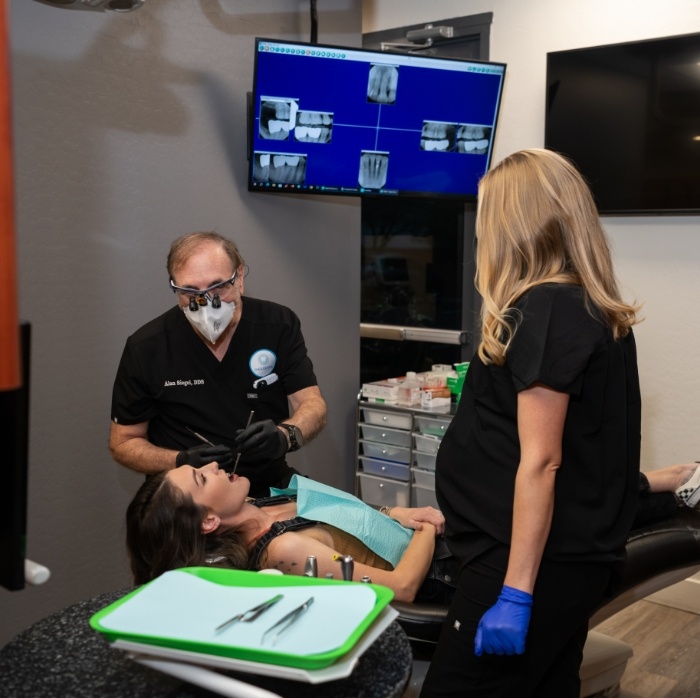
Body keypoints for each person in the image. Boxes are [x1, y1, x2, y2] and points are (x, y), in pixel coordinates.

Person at [421, 149, 644, 698]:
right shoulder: (589, 308)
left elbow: (543, 460)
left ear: (512, 227)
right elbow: (592, 446)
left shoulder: (544, 309)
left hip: (523, 566)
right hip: (558, 562)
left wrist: (516, 593)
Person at [110, 231, 327, 497]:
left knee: (355, 526)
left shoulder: (277, 325)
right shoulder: (147, 348)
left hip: (267, 484)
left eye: (218, 287)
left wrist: (286, 436)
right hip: (189, 501)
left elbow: (313, 405)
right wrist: (179, 460)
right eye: (190, 292)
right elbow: (123, 443)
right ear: (174, 288)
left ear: (239, 279)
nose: (206, 304)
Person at [125, 461, 452, 603]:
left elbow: (344, 517)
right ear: (208, 521)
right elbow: (403, 587)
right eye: (202, 478)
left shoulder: (261, 504)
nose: (212, 467)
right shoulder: (284, 550)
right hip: (439, 575)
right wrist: (425, 528)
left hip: (431, 542)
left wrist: (398, 512)